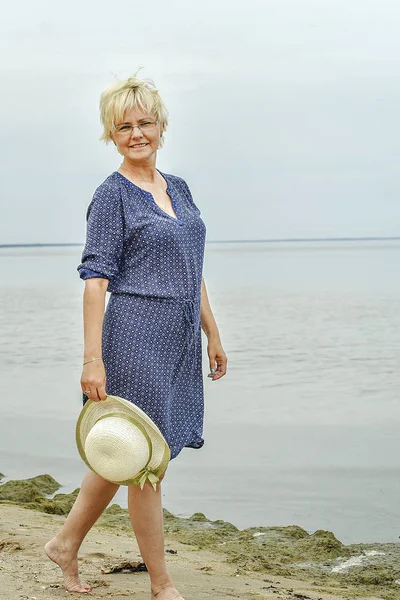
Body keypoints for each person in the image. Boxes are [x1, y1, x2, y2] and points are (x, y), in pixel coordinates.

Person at [44, 74, 228, 600]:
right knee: (146, 465)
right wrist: (91, 359)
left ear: (161, 126)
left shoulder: (179, 188)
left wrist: (212, 333)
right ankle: (161, 583)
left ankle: (65, 541)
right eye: (124, 126)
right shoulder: (111, 196)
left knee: (127, 454)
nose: (136, 133)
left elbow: (192, 269)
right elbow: (95, 282)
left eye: (144, 122)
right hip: (134, 338)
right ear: (112, 135)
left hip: (178, 343)